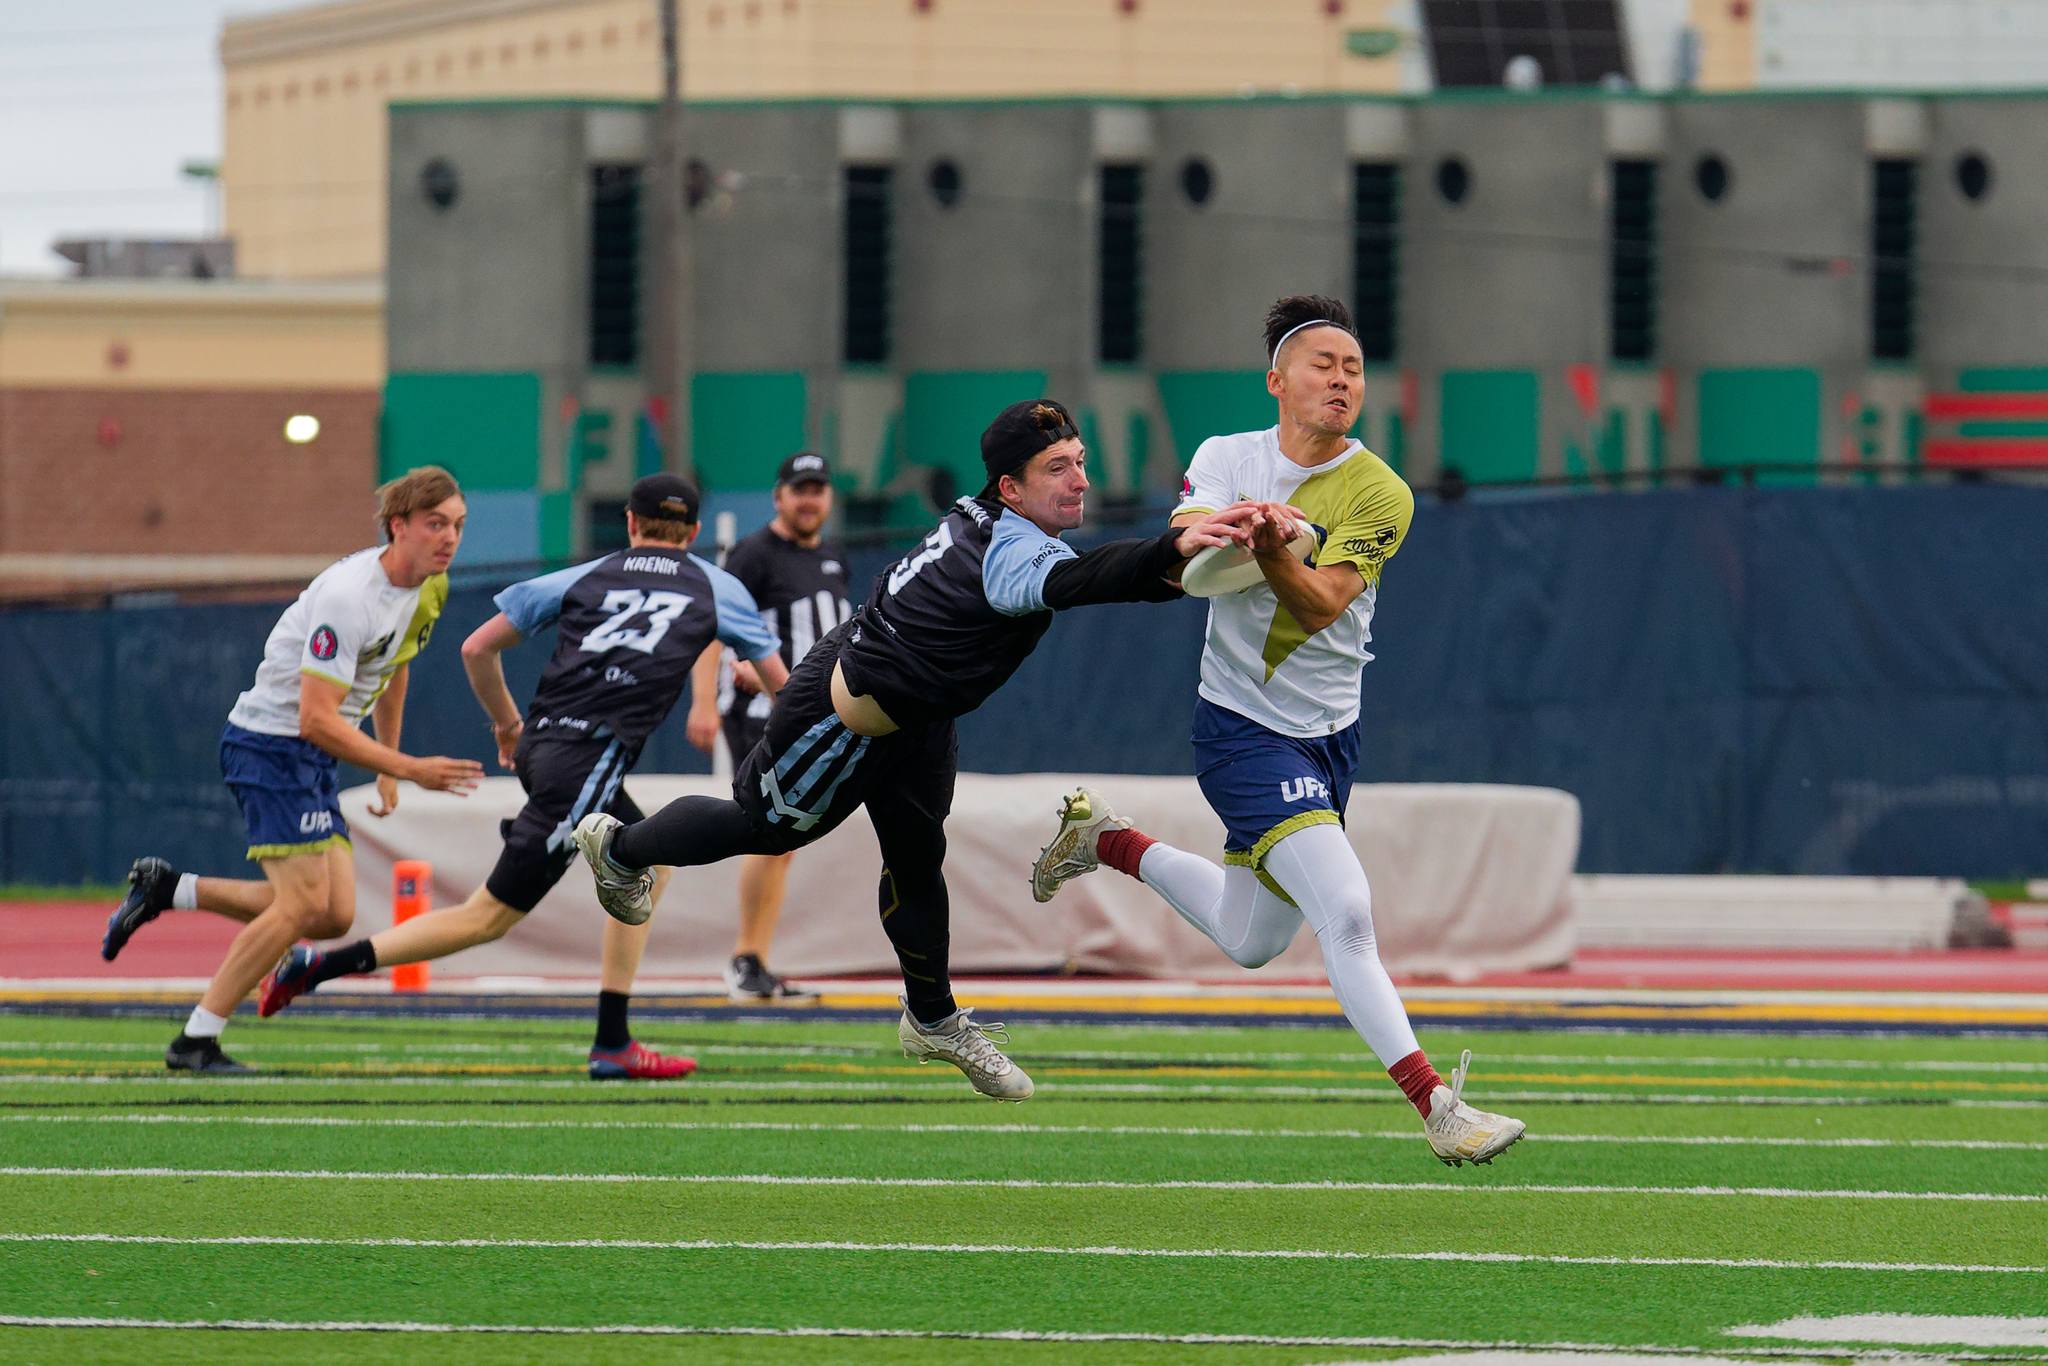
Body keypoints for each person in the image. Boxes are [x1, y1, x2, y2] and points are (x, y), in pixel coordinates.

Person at [572, 400, 1257, 1101]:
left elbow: (1116, 576)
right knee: (763, 826)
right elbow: (1091, 578)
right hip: (849, 716)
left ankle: (933, 1018)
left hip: (918, 716)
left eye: (1080, 462)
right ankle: (620, 848)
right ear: (1010, 487)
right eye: (1057, 468)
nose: (1081, 481)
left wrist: (1198, 555)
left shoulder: (986, 518)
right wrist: (1173, 550)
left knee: (916, 856)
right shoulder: (1007, 550)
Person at [1029, 295, 1526, 1166]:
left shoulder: (1381, 491)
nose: (1342, 380)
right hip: (1241, 731)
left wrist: (1270, 548)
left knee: (1251, 939)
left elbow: (1323, 603)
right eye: (1322, 364)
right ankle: (1439, 1108)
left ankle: (1105, 841)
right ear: (1276, 381)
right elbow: (1183, 543)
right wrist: (1235, 526)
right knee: (1348, 911)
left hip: (1331, 738)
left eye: (1354, 369)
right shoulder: (1228, 455)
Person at [255, 475, 790, 1079]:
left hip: (544, 746)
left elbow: (477, 648)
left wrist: (509, 728)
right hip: (586, 763)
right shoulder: (717, 586)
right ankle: (319, 967)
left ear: (630, 523)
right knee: (489, 917)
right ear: (693, 533)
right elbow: (787, 692)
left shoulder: (588, 573)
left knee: (650, 861)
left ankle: (613, 1040)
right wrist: (765, 692)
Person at [100, 466, 484, 1074]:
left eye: (458, 525)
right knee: (301, 905)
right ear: (398, 526)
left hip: (312, 752)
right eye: (436, 524)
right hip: (270, 746)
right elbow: (314, 720)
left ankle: (169, 889)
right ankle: (196, 1039)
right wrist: (410, 767)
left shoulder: (430, 586)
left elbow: (394, 666)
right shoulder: (348, 598)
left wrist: (388, 766)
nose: (450, 538)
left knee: (332, 915)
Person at [684, 451, 851, 1000]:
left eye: (818, 489)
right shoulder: (754, 554)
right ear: (779, 496)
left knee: (785, 836)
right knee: (771, 829)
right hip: (760, 712)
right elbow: (711, 626)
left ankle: (754, 959)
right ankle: (747, 958)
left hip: (815, 715)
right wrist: (703, 701)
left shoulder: (831, 556)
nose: (809, 500)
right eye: (799, 489)